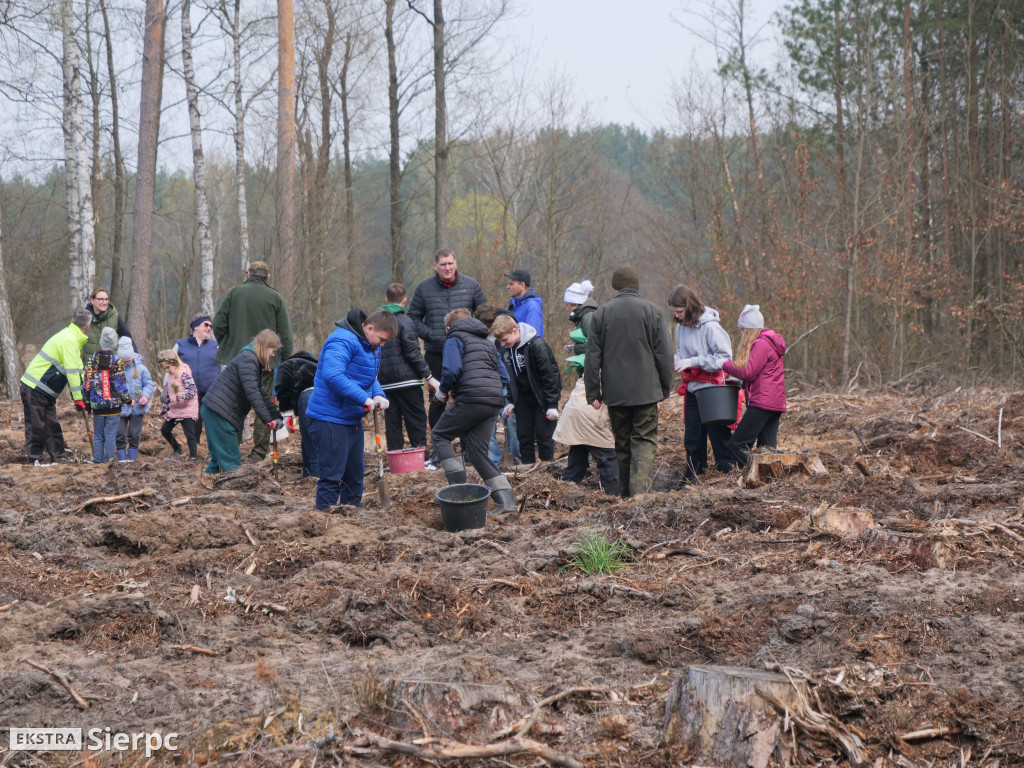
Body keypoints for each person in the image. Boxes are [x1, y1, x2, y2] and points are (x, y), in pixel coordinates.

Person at [584, 266, 674, 497]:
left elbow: (592, 356)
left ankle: (625, 495)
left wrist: (593, 392)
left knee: (622, 444)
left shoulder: (601, 314)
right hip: (646, 392)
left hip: (616, 394)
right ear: (636, 286)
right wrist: (665, 387)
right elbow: (664, 354)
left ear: (615, 288)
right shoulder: (653, 312)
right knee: (644, 441)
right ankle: (640, 495)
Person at [305, 310, 397, 510]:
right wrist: (362, 398)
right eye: (382, 339)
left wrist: (378, 394)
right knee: (332, 476)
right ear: (369, 328)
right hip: (329, 418)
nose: (382, 345)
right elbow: (332, 375)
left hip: (351, 418)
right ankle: (326, 522)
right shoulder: (342, 340)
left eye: (385, 342)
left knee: (355, 477)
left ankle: (351, 520)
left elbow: (368, 378)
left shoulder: (372, 346)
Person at [432, 308, 516, 514]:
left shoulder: (454, 338)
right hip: (494, 401)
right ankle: (506, 502)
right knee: (478, 453)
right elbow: (504, 377)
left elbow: (451, 370)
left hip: (471, 398)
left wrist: (442, 391)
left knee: (440, 434)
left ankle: (458, 493)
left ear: (449, 327)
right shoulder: (488, 343)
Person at [212, 261, 293, 460]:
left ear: (248, 274)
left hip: (235, 360)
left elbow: (218, 324)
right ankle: (258, 452)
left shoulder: (233, 293)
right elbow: (286, 335)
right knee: (263, 404)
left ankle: (232, 450)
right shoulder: (276, 298)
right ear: (268, 276)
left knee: (234, 405)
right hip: (267, 363)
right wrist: (286, 362)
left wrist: (227, 344)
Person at [406, 248, 488, 441]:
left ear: (456, 263)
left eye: (450, 263)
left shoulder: (471, 285)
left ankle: (470, 447)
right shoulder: (424, 288)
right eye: (443, 264)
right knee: (437, 401)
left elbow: (485, 314)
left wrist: (476, 335)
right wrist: (431, 334)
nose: (447, 267)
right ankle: (441, 447)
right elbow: (413, 319)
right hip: (436, 354)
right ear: (435, 266)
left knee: (468, 399)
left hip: (468, 354)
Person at [553, 280, 620, 496]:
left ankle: (613, 493)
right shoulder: (587, 317)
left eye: (568, 305)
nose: (566, 309)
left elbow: (597, 348)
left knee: (593, 436)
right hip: (591, 383)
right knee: (579, 441)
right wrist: (576, 347)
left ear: (577, 305)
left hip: (593, 384)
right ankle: (570, 484)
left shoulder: (589, 317)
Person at [668, 284, 738, 481]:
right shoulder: (680, 327)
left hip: (713, 390)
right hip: (693, 389)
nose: (677, 316)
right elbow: (682, 352)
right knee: (692, 438)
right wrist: (678, 358)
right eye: (674, 312)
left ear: (689, 307)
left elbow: (724, 358)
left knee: (719, 438)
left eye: (680, 312)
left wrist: (694, 361)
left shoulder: (711, 327)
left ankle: (728, 476)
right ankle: (693, 477)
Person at [201, 330, 284, 475]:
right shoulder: (248, 360)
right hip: (219, 413)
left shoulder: (252, 362)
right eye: (273, 350)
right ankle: (234, 496)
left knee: (218, 461)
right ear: (265, 346)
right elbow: (253, 395)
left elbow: (261, 393)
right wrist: (268, 421)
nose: (273, 355)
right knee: (232, 465)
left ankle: (200, 488)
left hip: (217, 411)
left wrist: (275, 415)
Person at [19, 309, 91, 465]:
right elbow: (72, 372)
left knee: (52, 426)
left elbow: (78, 371)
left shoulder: (72, 338)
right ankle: (35, 460)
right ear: (87, 326)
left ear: (73, 321)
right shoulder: (69, 340)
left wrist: (82, 396)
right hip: (34, 387)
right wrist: (78, 399)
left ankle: (59, 459)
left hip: (46, 391)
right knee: (36, 426)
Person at [491, 314, 562, 466]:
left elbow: (550, 376)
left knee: (544, 436)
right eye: (500, 341)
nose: (502, 344)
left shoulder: (536, 345)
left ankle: (546, 467)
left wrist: (552, 404)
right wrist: (510, 401)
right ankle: (527, 467)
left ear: (515, 331)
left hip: (541, 398)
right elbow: (509, 378)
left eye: (505, 340)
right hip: (522, 399)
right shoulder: (507, 351)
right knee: (524, 436)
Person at [722, 305, 787, 467]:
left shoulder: (761, 344)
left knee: (737, 444)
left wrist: (723, 364)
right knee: (767, 450)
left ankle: (756, 472)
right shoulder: (770, 342)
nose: (742, 334)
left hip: (762, 403)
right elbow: (761, 373)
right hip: (775, 403)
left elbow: (749, 372)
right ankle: (770, 482)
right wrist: (741, 382)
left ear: (749, 329)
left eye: (743, 330)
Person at [378, 283, 439, 452]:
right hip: (408, 382)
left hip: (385, 384)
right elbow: (413, 353)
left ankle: (396, 459)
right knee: (416, 419)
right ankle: (420, 456)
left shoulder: (377, 322)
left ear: (386, 300)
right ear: (404, 300)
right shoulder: (406, 322)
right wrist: (429, 376)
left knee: (392, 423)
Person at [473, 303, 521, 467]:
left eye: (489, 326)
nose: (487, 330)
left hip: (505, 384)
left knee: (510, 421)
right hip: (487, 385)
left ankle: (514, 458)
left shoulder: (505, 333)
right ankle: (493, 460)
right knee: (489, 423)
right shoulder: (477, 336)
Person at [85, 327, 131, 463]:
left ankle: (98, 461)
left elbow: (86, 385)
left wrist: (87, 404)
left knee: (98, 435)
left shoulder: (91, 361)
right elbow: (120, 385)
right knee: (110, 434)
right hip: (114, 407)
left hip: (97, 406)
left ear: (101, 342)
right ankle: (109, 459)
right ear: (114, 344)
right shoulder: (117, 362)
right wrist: (128, 400)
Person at [173, 313, 220, 443]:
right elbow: (170, 367)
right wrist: (168, 388)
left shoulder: (216, 345)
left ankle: (215, 450)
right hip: (189, 393)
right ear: (195, 326)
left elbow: (225, 368)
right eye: (206, 324)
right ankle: (194, 452)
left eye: (211, 326)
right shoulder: (180, 345)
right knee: (193, 423)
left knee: (214, 422)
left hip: (212, 391)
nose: (209, 328)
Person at [276, 349, 319, 478]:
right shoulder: (317, 362)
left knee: (312, 447)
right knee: (311, 442)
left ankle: (316, 484)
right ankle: (308, 478)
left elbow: (282, 389)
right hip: (325, 398)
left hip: (307, 397)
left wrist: (287, 412)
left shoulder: (287, 365)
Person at [116, 335, 154, 462]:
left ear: (132, 357)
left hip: (138, 407)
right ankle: (121, 459)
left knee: (134, 434)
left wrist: (145, 396)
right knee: (120, 434)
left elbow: (149, 384)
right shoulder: (116, 370)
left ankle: (133, 459)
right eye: (123, 361)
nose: (125, 363)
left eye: (127, 360)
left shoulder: (141, 369)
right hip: (120, 407)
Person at [157, 349, 200, 460]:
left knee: (189, 435)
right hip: (175, 410)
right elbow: (169, 397)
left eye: (167, 367)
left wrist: (184, 395)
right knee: (165, 430)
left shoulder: (183, 373)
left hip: (187, 410)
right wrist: (163, 410)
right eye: (164, 368)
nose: (166, 370)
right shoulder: (170, 378)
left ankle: (194, 457)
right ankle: (178, 449)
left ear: (174, 363)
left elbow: (192, 389)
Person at [81, 287, 134, 364]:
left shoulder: (115, 317)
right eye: (101, 299)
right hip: (90, 369)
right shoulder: (84, 319)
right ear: (92, 300)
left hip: (112, 368)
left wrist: (135, 360)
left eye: (106, 299)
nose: (104, 302)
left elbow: (127, 338)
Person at [505, 269, 544, 337]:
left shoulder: (532, 307)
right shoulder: (516, 305)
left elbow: (533, 337)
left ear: (522, 285)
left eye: (511, 284)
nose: (507, 286)